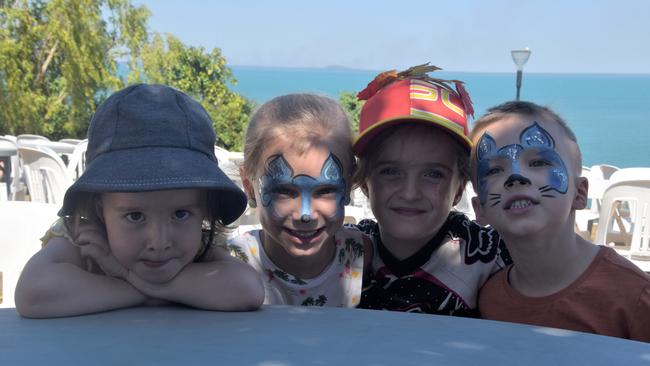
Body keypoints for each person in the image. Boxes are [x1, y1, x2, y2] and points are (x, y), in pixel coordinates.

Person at [15, 84, 265, 318]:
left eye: (180, 214)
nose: (159, 242)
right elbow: (33, 294)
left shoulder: (200, 246)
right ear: (100, 211)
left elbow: (248, 290)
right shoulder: (85, 238)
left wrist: (125, 275)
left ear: (204, 210)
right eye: (135, 216)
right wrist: (153, 291)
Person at [470, 100, 650, 342]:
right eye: (493, 170)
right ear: (479, 209)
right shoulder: (489, 298)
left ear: (580, 193)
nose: (515, 176)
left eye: (538, 162)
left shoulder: (636, 297)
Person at [352, 64, 511, 316]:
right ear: (364, 182)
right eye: (391, 171)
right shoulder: (343, 250)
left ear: (459, 188)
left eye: (433, 174)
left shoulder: (492, 254)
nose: (410, 192)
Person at [228, 93, 370, 307]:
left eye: (325, 190)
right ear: (249, 186)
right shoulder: (230, 262)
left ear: (348, 185)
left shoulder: (361, 255)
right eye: (284, 191)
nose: (306, 214)